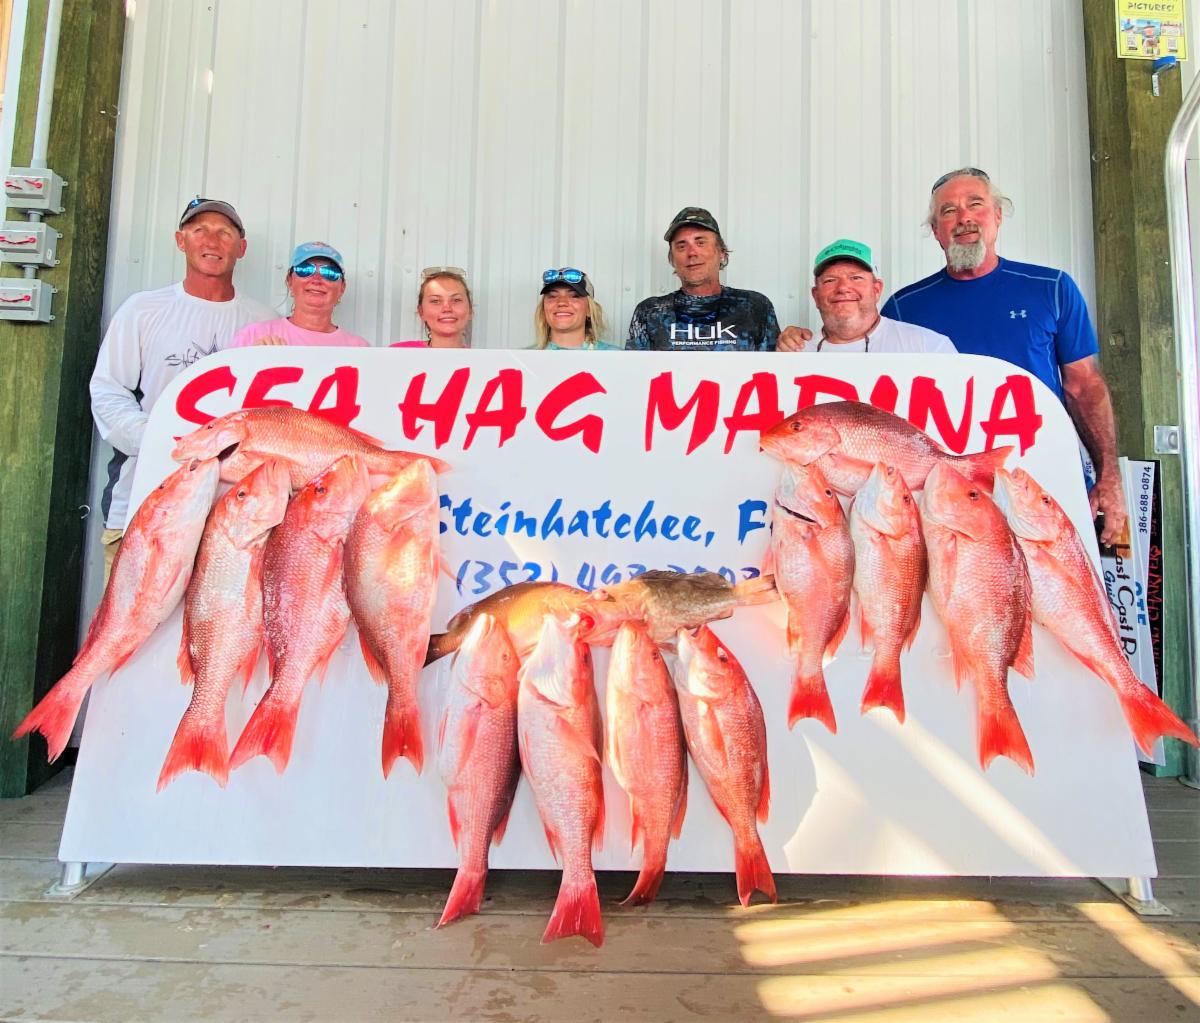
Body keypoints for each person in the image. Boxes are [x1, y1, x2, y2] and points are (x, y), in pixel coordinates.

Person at [881, 167, 1126, 543]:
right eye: (948, 211)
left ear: (997, 215)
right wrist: (799, 344)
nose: (963, 217)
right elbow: (874, 388)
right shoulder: (903, 307)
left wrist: (1108, 476)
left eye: (975, 204)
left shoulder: (1052, 289)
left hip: (1040, 476)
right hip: (947, 491)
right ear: (936, 231)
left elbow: (1084, 387)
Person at [89, 198, 274, 572]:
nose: (212, 241)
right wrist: (164, 442)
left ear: (241, 247)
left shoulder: (265, 321)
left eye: (224, 233)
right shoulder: (143, 309)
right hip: (143, 503)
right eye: (199, 230)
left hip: (229, 520)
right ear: (180, 240)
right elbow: (108, 392)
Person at [627, 207, 780, 351]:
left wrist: (790, 343)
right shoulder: (650, 312)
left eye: (700, 243)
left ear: (721, 252)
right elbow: (633, 368)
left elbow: (775, 366)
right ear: (672, 259)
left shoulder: (754, 307)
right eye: (681, 246)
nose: (691, 253)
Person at [787, 239, 956, 353]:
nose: (843, 287)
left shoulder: (928, 347)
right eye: (830, 280)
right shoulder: (795, 353)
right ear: (816, 296)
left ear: (876, 289)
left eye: (856, 278)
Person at [227, 242, 368, 348]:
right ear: (290, 281)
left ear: (342, 288)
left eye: (329, 273)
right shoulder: (252, 336)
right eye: (304, 270)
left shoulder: (360, 349)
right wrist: (251, 359)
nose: (316, 279)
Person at [531, 268, 620, 350]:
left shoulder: (617, 357)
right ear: (544, 308)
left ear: (589, 309)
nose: (562, 302)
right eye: (553, 296)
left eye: (574, 296)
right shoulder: (525, 358)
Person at [392, 266, 473, 348]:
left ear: (470, 310)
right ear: (421, 311)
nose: (447, 308)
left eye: (456, 300)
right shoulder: (396, 352)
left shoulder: (478, 356)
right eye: (435, 301)